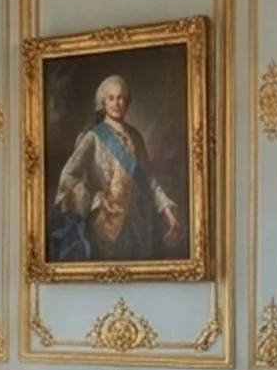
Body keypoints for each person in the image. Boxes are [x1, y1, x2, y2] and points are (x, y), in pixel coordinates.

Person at [51, 74, 184, 261]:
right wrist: (92, 199)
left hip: (135, 226)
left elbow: (149, 180)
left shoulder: (135, 137)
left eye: (121, 98)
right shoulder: (93, 137)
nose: (117, 103)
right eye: (111, 98)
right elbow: (69, 176)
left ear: (127, 102)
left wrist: (169, 213)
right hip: (101, 226)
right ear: (103, 103)